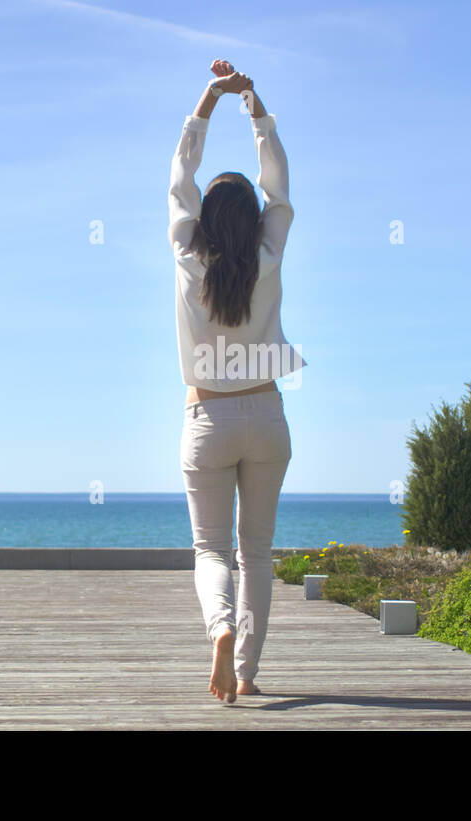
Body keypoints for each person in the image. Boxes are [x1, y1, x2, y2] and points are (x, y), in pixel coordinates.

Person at [168, 58, 306, 703]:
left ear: (204, 220)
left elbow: (181, 176)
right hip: (267, 416)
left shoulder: (187, 256)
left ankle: (218, 631)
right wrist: (255, 105)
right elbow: (278, 189)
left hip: (209, 419)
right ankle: (247, 672)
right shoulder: (269, 255)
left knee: (211, 551)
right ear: (252, 221)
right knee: (257, 553)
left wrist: (209, 99)